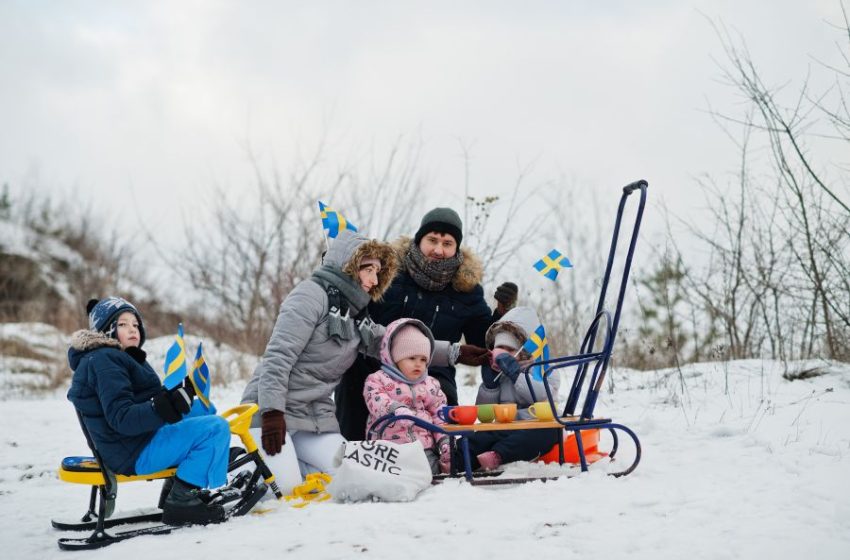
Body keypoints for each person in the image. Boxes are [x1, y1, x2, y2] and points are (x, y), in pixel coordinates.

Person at [240, 229, 477, 494]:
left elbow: (394, 342)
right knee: (284, 490)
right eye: (369, 270)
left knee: (348, 476)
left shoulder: (354, 316)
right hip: (274, 413)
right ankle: (252, 464)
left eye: (378, 272)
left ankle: (292, 461)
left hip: (313, 415)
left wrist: (456, 352)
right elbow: (277, 357)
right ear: (349, 266)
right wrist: (271, 412)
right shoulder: (310, 295)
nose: (374, 280)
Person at [335, 207, 519, 440]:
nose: (439, 250)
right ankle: (353, 448)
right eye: (432, 240)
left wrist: (502, 313)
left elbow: (482, 342)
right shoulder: (388, 274)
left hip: (434, 372)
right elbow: (357, 313)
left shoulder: (467, 290)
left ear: (456, 248)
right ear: (419, 240)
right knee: (354, 374)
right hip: (379, 366)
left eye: (447, 243)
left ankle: (438, 456)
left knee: (440, 407)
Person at [67, 297, 232, 526]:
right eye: (123, 324)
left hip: (136, 440)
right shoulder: (105, 361)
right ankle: (182, 501)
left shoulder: (118, 356)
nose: (132, 329)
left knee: (204, 410)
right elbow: (122, 417)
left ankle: (180, 484)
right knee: (216, 429)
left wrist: (177, 396)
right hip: (133, 451)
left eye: (135, 324)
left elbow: (143, 399)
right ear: (106, 331)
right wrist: (163, 406)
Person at [465, 306, 562, 471]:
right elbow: (485, 414)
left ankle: (497, 456)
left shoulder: (544, 368)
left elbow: (542, 395)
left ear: (522, 351)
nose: (503, 355)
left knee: (547, 433)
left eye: (510, 350)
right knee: (479, 436)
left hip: (536, 425)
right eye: (499, 349)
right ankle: (456, 458)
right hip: (505, 426)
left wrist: (517, 376)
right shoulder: (497, 374)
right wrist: (489, 387)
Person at [363, 318, 451, 475]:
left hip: (423, 448)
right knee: (396, 475)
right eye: (411, 358)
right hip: (388, 449)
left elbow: (439, 413)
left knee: (429, 471)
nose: (418, 364)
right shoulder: (378, 379)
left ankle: (446, 468)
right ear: (395, 357)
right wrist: (396, 409)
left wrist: (444, 439)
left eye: (423, 359)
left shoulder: (430, 384)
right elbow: (376, 400)